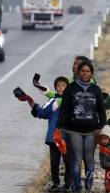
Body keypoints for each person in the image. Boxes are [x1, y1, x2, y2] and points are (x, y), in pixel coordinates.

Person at [56, 60, 107, 192]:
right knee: (77, 159)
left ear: (91, 73)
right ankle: (77, 187)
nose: (85, 73)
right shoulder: (70, 88)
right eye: (82, 71)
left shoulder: (96, 90)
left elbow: (101, 110)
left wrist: (102, 127)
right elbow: (64, 110)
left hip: (92, 131)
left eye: (87, 71)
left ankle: (88, 186)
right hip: (73, 130)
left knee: (89, 160)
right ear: (78, 72)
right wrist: (59, 127)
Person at [31, 76, 71, 192]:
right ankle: (56, 183)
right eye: (58, 86)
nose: (61, 88)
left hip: (68, 136)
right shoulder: (53, 100)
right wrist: (35, 109)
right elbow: (43, 113)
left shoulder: (71, 100)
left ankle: (68, 184)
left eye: (64, 85)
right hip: (54, 137)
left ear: (68, 87)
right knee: (54, 162)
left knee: (68, 161)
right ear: (55, 88)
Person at [98, 125, 110, 193]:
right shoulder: (101, 147)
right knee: (107, 181)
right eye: (102, 138)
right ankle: (107, 190)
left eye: (105, 138)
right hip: (106, 168)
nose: (103, 140)